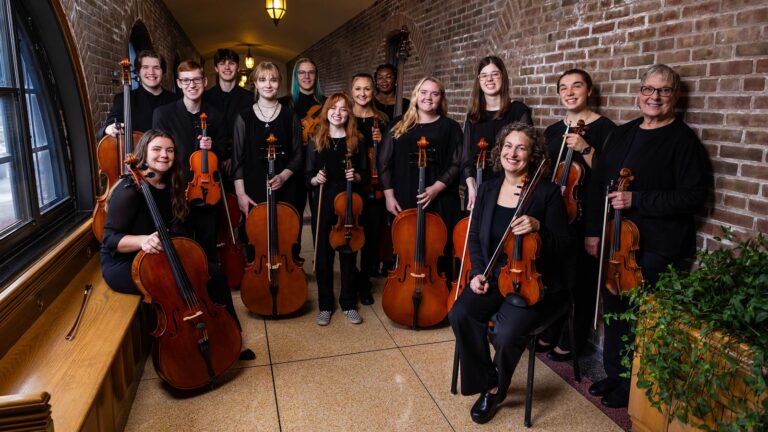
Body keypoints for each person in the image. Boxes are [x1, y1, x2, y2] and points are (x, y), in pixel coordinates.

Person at [584, 64, 709, 408]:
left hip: (655, 247)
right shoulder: (621, 134)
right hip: (615, 242)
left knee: (640, 316)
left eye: (664, 90)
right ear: (639, 94)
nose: (655, 97)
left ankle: (632, 384)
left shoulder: (683, 141)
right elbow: (598, 186)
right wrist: (593, 231)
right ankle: (614, 373)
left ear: (675, 96)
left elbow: (692, 196)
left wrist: (636, 199)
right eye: (649, 90)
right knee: (613, 307)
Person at [449, 122, 571, 424]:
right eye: (507, 146)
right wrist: (478, 272)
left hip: (532, 281)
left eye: (521, 147)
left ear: (533, 155)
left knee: (504, 333)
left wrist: (539, 226)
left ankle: (495, 393)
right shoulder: (489, 188)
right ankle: (490, 381)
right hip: (494, 275)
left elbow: (565, 246)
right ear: (499, 151)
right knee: (460, 312)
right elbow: (476, 236)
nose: (512, 153)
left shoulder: (546, 193)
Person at [100, 129, 254, 360]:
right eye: (157, 150)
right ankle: (182, 346)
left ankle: (232, 334)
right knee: (173, 282)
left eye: (169, 150)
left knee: (213, 273)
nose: (164, 155)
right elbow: (110, 239)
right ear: (144, 153)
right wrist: (143, 241)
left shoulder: (173, 183)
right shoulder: (130, 189)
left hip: (162, 252)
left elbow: (178, 227)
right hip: (125, 261)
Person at [539, 69, 616, 363]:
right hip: (555, 221)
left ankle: (573, 338)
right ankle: (550, 328)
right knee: (554, 279)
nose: (569, 92)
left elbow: (608, 180)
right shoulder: (553, 131)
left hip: (586, 222)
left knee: (581, 284)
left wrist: (586, 149)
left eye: (576, 86)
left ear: (589, 91)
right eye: (563, 88)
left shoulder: (605, 129)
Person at [378, 76, 462, 279]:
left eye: (435, 93)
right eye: (424, 92)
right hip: (405, 196)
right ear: (416, 95)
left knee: (439, 250)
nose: (428, 97)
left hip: (440, 198)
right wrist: (389, 196)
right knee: (407, 248)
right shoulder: (399, 124)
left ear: (441, 98)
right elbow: (383, 162)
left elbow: (457, 162)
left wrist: (435, 188)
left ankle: (439, 296)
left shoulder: (450, 127)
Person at [152, 60, 227, 259]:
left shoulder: (217, 116)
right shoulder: (163, 114)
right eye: (186, 81)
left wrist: (213, 149)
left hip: (206, 192)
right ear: (178, 83)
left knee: (208, 250)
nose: (191, 85)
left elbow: (224, 152)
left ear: (204, 81)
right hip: (175, 191)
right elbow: (158, 153)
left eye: (195, 80)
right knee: (179, 250)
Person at [306, 93, 368, 326]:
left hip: (350, 201)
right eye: (333, 108)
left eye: (343, 109)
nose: (338, 113)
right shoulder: (316, 139)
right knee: (323, 255)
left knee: (349, 251)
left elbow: (364, 174)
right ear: (326, 111)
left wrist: (358, 175)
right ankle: (325, 305)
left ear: (349, 114)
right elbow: (306, 175)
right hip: (323, 199)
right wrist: (315, 179)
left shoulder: (357, 140)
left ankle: (348, 302)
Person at [231, 61, 303, 225]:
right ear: (255, 83)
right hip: (252, 188)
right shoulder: (243, 117)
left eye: (273, 80)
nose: (268, 85)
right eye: (262, 80)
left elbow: (298, 154)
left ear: (279, 83)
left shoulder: (290, 116)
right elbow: (237, 161)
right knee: (254, 241)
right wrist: (241, 194)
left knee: (287, 237)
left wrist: (283, 176)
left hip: (286, 188)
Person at [462, 55, 532, 212]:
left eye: (495, 74)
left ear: (503, 77)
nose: (489, 79)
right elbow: (466, 158)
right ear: (479, 81)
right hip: (477, 187)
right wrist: (471, 185)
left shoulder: (518, 110)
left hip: (509, 187)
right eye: (484, 75)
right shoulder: (473, 116)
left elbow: (527, 153)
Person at [350, 73, 388, 305]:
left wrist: (382, 140)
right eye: (358, 89)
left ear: (373, 92)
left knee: (371, 238)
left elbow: (389, 155)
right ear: (351, 91)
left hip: (375, 186)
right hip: (352, 184)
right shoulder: (345, 117)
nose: (362, 93)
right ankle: (350, 278)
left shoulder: (381, 119)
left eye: (367, 89)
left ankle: (365, 282)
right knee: (351, 234)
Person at [101, 50, 177, 138]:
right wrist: (109, 128)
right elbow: (109, 125)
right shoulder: (123, 99)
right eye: (145, 67)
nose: (151, 72)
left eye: (156, 67)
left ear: (163, 71)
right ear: (138, 72)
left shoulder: (176, 100)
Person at [204, 48, 254, 179]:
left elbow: (251, 132)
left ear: (237, 67)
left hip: (242, 160)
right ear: (216, 68)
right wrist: (221, 156)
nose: (227, 67)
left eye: (231, 63)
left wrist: (234, 158)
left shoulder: (249, 98)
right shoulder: (205, 97)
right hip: (211, 160)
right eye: (222, 63)